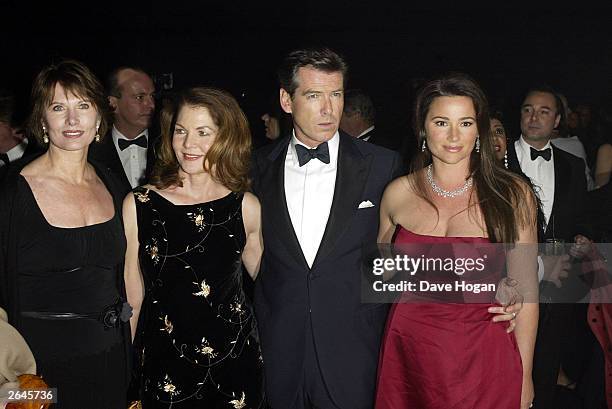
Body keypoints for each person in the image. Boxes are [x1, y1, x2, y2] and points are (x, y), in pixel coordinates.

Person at [251, 49, 520, 409]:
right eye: (314, 96)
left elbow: (399, 258)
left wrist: (505, 280)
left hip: (357, 350)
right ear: (287, 100)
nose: (329, 109)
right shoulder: (253, 169)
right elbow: (250, 253)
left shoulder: (383, 166)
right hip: (279, 345)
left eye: (336, 95)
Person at [375, 73, 539, 409]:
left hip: (486, 354)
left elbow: (529, 293)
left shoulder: (511, 194)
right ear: (423, 128)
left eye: (465, 123)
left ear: (478, 130)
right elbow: (380, 276)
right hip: (410, 352)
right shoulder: (397, 194)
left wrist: (524, 375)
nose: (453, 136)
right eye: (441, 122)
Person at [0, 60, 130, 408]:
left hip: (112, 363)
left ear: (100, 117)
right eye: (59, 107)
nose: (72, 120)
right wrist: (6, 385)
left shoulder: (114, 184)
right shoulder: (10, 193)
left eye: (83, 106)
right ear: (42, 120)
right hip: (36, 376)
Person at [123, 87, 265, 408]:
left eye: (203, 133)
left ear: (226, 137)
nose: (188, 144)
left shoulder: (245, 206)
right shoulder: (141, 204)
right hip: (164, 362)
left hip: (234, 364)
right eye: (181, 131)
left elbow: (270, 288)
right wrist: (126, 369)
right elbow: (134, 295)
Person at [506, 85, 588, 408]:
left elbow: (579, 216)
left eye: (543, 111)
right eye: (528, 109)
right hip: (511, 281)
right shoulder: (499, 158)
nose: (533, 117)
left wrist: (582, 237)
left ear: (557, 120)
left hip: (558, 282)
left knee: (547, 365)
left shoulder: (572, 165)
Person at [89, 66, 157, 197]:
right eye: (140, 97)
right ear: (113, 103)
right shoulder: (91, 151)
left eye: (152, 96)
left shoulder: (168, 144)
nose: (151, 104)